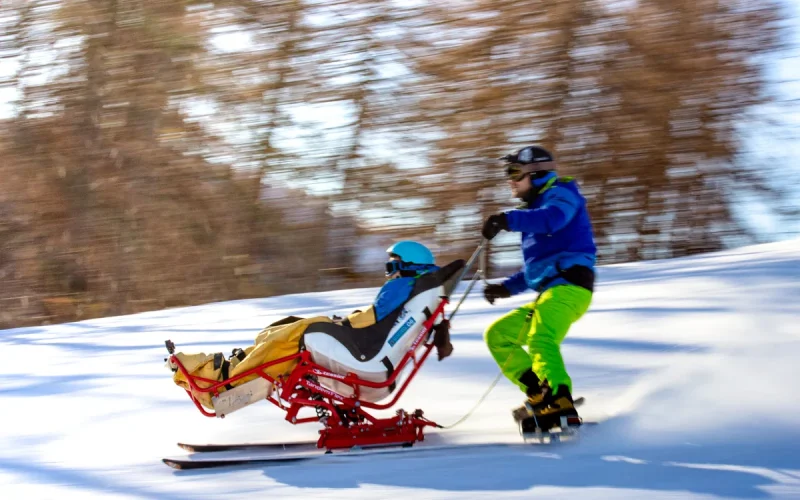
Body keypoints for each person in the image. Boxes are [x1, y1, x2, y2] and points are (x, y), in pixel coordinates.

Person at [169, 240, 452, 408]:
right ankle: (230, 370)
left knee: (294, 334)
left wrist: (337, 321)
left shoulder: (404, 285)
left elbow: (369, 319)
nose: (389, 273)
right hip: (374, 365)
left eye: (392, 266)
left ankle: (225, 384)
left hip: (365, 361)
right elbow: (385, 320)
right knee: (284, 329)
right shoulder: (423, 289)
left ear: (410, 266)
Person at [480, 145, 596, 428]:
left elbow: (553, 218)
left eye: (514, 173)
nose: (510, 180)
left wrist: (508, 219)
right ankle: (538, 393)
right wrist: (506, 288)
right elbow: (537, 269)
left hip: (570, 286)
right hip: (551, 291)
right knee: (499, 335)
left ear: (537, 173)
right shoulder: (534, 211)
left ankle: (559, 400)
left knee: (540, 338)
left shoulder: (561, 194)